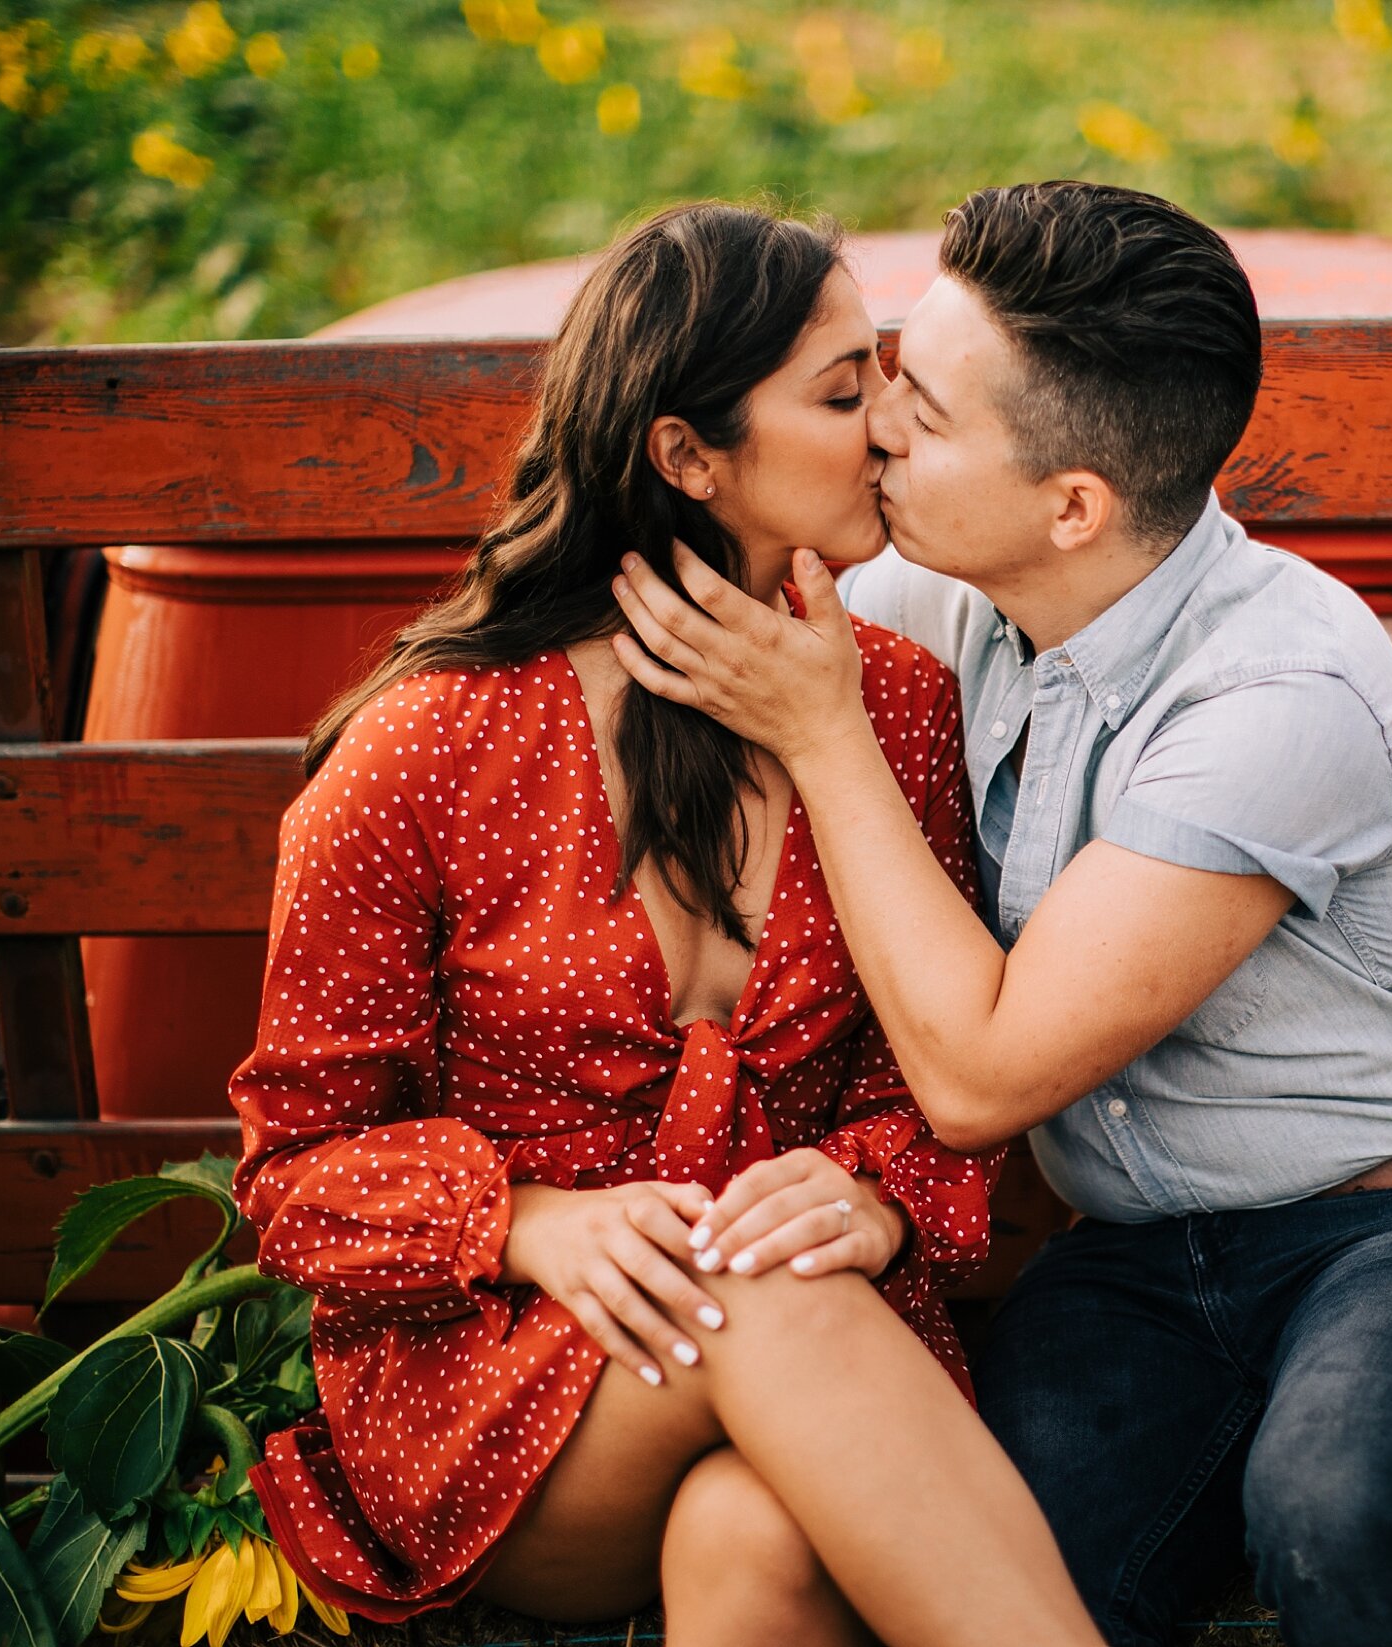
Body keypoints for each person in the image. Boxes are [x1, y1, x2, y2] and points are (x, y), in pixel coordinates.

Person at [608, 180, 1392, 1647]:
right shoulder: (957, 598)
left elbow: (983, 1079)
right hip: (1129, 1265)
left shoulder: (1277, 693)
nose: (875, 430)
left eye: (920, 416)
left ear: (1074, 505)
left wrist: (827, 739)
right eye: (877, 377)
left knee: (1337, 1508)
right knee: (983, 1565)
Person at [228, 201, 1103, 1647]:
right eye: (844, 391)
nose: (892, 420)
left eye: (885, 376)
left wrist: (876, 1196)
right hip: (509, 1397)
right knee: (748, 1291)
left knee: (752, 1541)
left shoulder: (895, 704)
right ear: (689, 457)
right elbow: (295, 1171)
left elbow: (924, 1073)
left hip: (817, 1377)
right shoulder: (427, 748)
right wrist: (530, 1224)